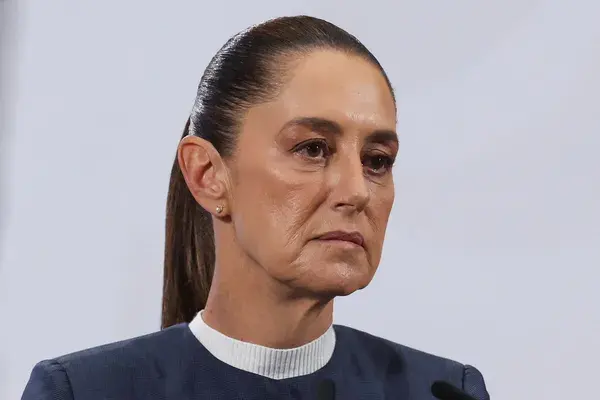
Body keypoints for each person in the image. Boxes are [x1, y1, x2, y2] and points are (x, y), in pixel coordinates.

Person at [22, 15, 490, 400]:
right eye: (312, 149)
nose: (357, 191)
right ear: (207, 174)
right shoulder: (83, 392)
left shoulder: (442, 391)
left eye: (377, 160)